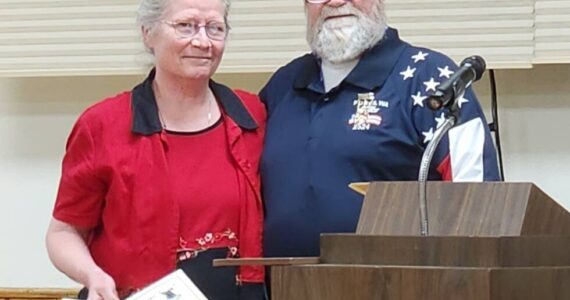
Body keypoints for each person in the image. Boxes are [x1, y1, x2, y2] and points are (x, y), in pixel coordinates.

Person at [45, 0, 265, 299]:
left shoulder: (253, 117)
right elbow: (63, 232)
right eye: (185, 26)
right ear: (148, 33)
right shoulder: (102, 126)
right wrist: (93, 276)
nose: (202, 41)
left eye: (215, 28)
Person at [260, 0, 501, 258]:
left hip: (398, 285)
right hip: (285, 287)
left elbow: (478, 201)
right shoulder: (283, 84)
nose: (337, 2)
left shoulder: (431, 79)